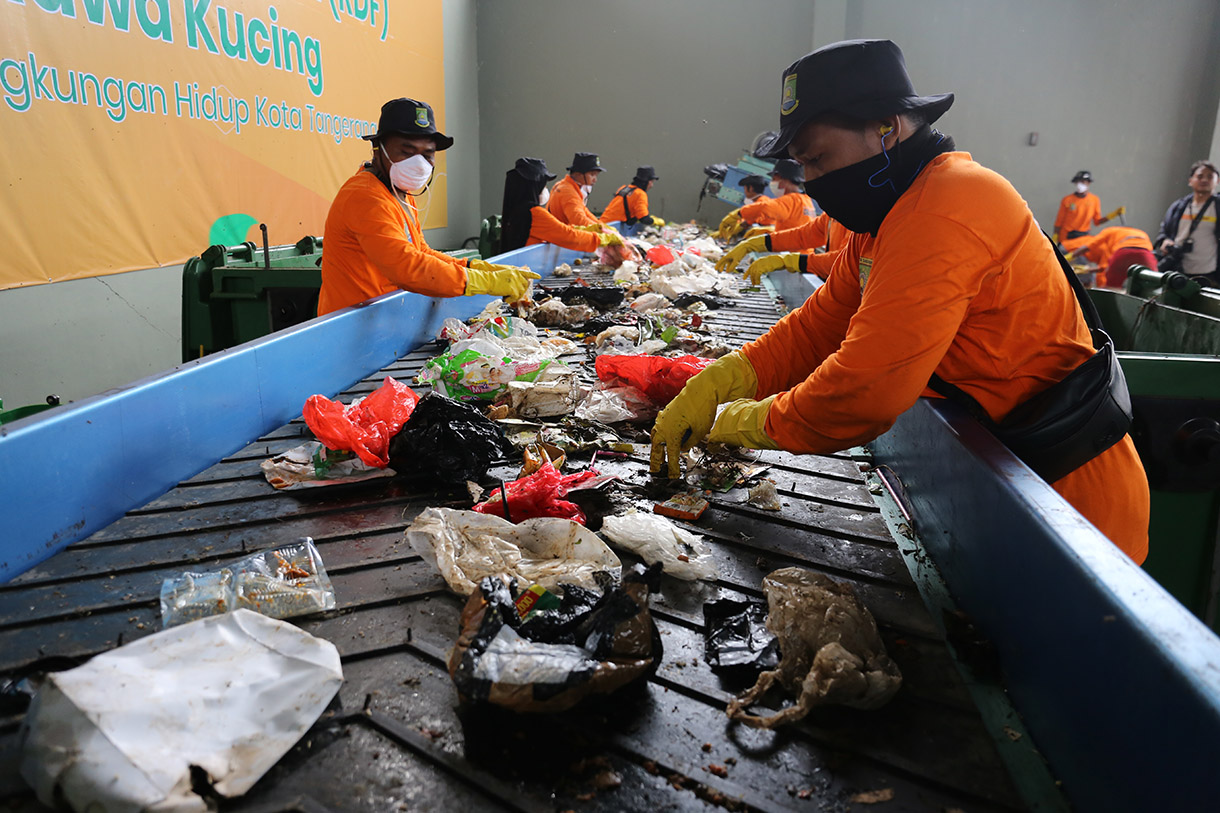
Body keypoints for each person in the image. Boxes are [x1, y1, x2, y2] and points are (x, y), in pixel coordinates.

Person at [656, 39, 1149, 563]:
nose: (816, 182)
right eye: (805, 165)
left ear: (886, 127)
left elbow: (864, 391)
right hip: (999, 482)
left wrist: (744, 421)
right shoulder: (884, 216)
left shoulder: (947, 204)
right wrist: (721, 379)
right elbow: (821, 325)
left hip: (1068, 510)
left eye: (819, 158)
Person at [318, 98, 537, 315]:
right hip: (349, 329)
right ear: (378, 150)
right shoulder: (365, 196)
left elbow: (421, 251)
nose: (418, 163)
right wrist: (482, 281)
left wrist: (475, 268)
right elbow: (405, 266)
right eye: (406, 152)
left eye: (427, 154)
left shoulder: (398, 192)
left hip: (379, 319)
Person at [500, 157, 625, 254]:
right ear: (534, 186)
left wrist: (596, 228)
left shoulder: (517, 209)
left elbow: (564, 228)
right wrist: (603, 239)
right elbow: (569, 236)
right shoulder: (534, 213)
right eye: (543, 185)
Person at [1154, 159, 1220, 285]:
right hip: (1177, 268)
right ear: (1190, 181)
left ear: (1217, 181)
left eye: (1210, 177)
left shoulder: (1217, 207)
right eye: (1199, 176)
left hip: (1208, 273)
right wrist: (1165, 241)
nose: (1204, 180)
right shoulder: (1179, 206)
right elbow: (1164, 231)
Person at [717, 159, 816, 241]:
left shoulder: (791, 200)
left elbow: (764, 208)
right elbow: (794, 228)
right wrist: (770, 231)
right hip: (798, 254)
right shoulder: (806, 200)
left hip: (792, 256)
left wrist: (738, 214)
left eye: (774, 179)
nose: (772, 182)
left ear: (782, 179)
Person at [1052, 171, 1124, 250]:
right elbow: (1059, 221)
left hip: (1083, 239)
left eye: (1083, 182)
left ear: (1088, 183)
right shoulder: (1067, 200)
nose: (1080, 184)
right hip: (1066, 238)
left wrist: (1113, 215)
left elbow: (1097, 221)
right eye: (1078, 182)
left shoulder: (1094, 200)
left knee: (1082, 260)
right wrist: (1055, 236)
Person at [1065, 226, 1157, 288]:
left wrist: (1070, 257)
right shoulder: (1141, 233)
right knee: (1152, 285)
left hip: (1123, 252)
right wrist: (1088, 269)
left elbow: (1089, 245)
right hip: (1145, 254)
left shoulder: (1109, 231)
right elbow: (1104, 267)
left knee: (1111, 289)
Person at [547, 152, 606, 227]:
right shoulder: (568, 192)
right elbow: (578, 221)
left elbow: (585, 212)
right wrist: (604, 230)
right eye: (592, 175)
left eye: (596, 175)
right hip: (559, 237)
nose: (595, 180)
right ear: (578, 174)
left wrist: (602, 226)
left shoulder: (565, 186)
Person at [600, 166, 664, 230]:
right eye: (652, 182)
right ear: (647, 182)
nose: (651, 185)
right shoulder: (640, 194)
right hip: (610, 229)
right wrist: (655, 221)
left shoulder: (624, 188)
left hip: (602, 224)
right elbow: (644, 219)